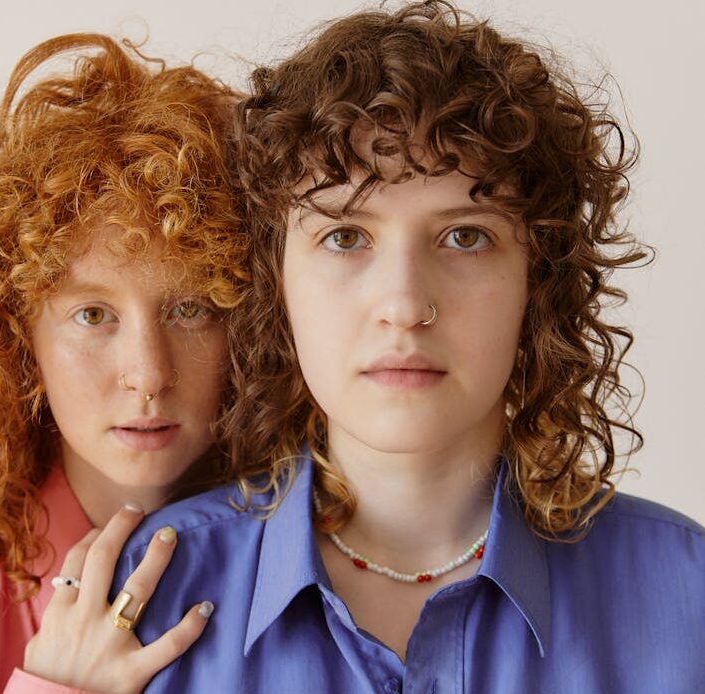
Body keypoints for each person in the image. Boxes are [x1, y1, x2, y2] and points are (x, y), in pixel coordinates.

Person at [109, 2, 705, 692]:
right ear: (277, 282)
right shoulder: (148, 593)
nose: (402, 306)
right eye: (344, 237)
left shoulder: (686, 591)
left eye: (465, 237)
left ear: (535, 280)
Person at [0, 32, 247, 693]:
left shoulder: (334, 573)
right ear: (14, 340)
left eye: (192, 310)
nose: (147, 373)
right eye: (93, 317)